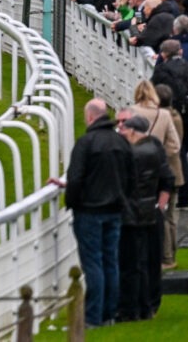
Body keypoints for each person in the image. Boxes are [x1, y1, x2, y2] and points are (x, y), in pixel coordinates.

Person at [61, 96, 132, 326]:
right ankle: (109, 313)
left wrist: (71, 202)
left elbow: (75, 178)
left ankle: (93, 316)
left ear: (90, 117)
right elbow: (131, 176)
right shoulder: (120, 142)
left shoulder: (86, 143)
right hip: (115, 209)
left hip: (90, 211)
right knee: (110, 261)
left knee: (93, 263)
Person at [119, 114, 173, 322]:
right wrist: (160, 205)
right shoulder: (155, 147)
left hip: (136, 211)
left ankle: (136, 306)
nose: (121, 131)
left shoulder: (134, 154)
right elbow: (167, 178)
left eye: (124, 128)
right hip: (150, 209)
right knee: (150, 259)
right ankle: (149, 304)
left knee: (135, 261)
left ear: (133, 131)